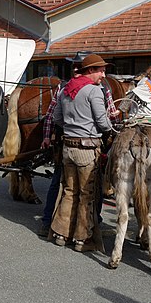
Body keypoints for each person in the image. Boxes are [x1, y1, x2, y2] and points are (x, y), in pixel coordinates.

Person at [50, 54, 113, 252]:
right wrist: (110, 128)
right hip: (87, 149)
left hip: (68, 147)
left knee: (69, 191)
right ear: (90, 71)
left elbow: (57, 118)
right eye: (100, 70)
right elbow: (102, 123)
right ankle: (81, 239)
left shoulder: (66, 90)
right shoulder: (94, 91)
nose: (103, 74)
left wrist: (72, 126)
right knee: (87, 194)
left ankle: (61, 234)